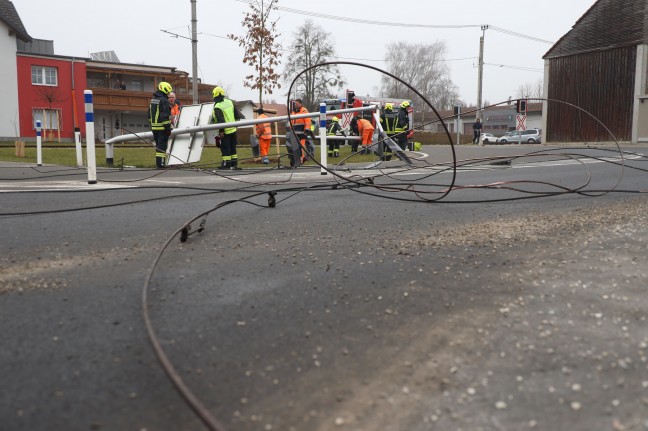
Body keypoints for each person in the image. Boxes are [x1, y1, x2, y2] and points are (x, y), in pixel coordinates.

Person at [211, 86, 243, 170]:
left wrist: (221, 131)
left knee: (225, 147)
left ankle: (226, 164)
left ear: (215, 95)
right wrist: (236, 125)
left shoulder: (217, 106)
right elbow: (237, 114)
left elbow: (220, 120)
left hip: (225, 131)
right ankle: (234, 164)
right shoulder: (229, 102)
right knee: (233, 147)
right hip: (233, 129)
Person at [148, 81, 173, 169]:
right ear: (165, 90)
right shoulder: (164, 101)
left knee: (158, 146)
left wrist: (152, 125)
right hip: (162, 128)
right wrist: (168, 128)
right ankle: (161, 164)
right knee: (162, 147)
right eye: (168, 92)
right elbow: (164, 116)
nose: (169, 94)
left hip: (154, 128)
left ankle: (159, 164)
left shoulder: (153, 100)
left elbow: (149, 114)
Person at [289, 99, 311, 164]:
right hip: (294, 132)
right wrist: (290, 130)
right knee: (295, 146)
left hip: (302, 132)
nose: (295, 105)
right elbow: (291, 122)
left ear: (300, 104)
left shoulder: (304, 110)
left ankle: (301, 159)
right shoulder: (293, 112)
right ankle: (297, 159)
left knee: (301, 146)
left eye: (296, 104)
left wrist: (307, 129)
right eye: (295, 104)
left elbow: (307, 120)